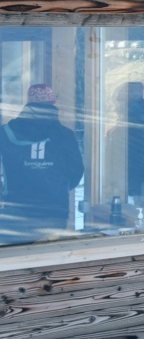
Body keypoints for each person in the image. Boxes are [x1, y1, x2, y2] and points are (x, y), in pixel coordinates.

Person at [0, 84, 85, 246]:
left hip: (16, 207)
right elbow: (76, 170)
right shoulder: (65, 135)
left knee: (16, 256)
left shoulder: (4, 133)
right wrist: (59, 187)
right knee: (46, 256)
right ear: (52, 103)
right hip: (54, 208)